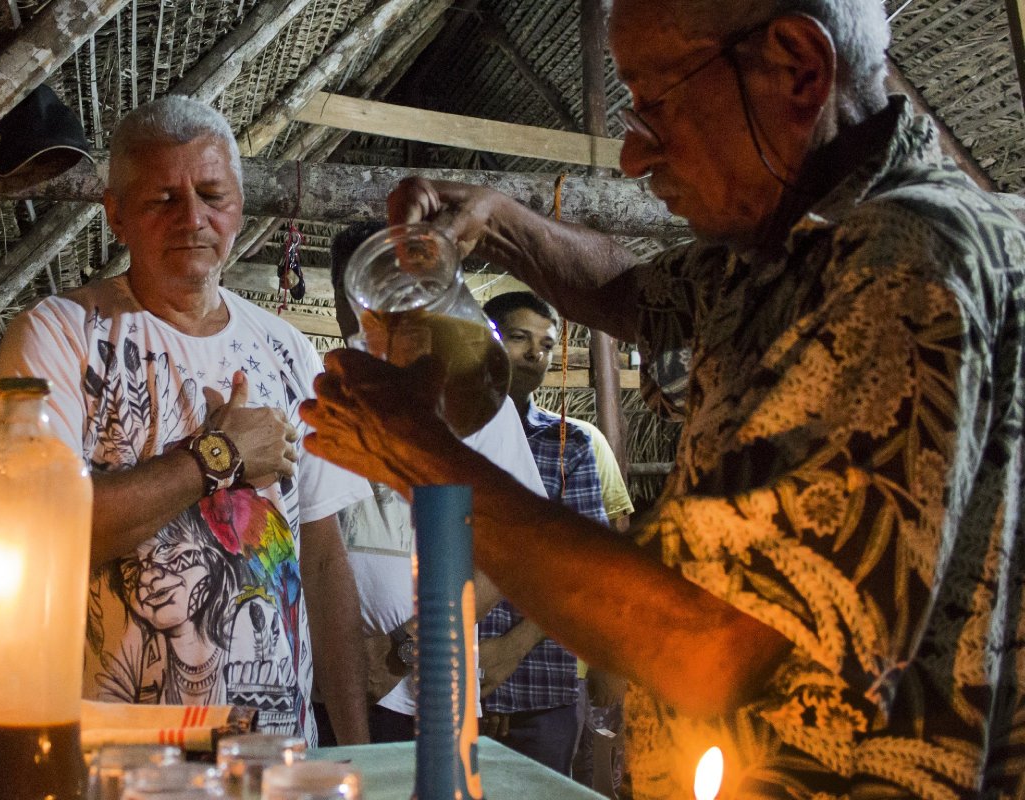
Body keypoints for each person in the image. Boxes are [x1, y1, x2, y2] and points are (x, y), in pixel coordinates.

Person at [299, 0, 1025, 795]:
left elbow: (712, 644)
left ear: (796, 68)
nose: (635, 154)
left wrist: (417, 455)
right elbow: (628, 293)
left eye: (656, 103)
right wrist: (498, 223)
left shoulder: (897, 270)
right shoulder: (795, 248)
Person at [0, 95, 372, 745]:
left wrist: (358, 750)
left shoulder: (288, 352)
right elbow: (41, 530)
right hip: (110, 751)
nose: (192, 218)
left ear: (238, 206)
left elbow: (325, 562)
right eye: (162, 199)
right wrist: (216, 457)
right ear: (116, 214)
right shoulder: (60, 336)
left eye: (212, 195)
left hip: (270, 752)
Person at [323, 221, 548, 744]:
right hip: (324, 685)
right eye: (363, 293)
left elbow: (516, 547)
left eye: (397, 288)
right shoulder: (320, 393)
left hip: (426, 691)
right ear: (341, 305)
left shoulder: (473, 399)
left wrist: (401, 649)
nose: (382, 307)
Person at [476, 291, 609, 775]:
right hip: (438, 682)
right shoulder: (442, 434)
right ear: (482, 341)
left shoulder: (567, 444)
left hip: (539, 689)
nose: (536, 354)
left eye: (547, 345)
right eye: (519, 338)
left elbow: (586, 569)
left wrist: (510, 650)